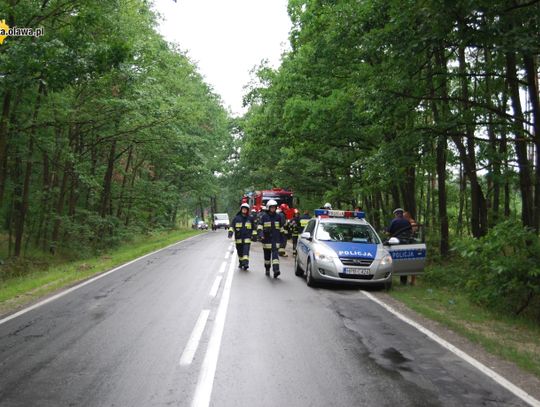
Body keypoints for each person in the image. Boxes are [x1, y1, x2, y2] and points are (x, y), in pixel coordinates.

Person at [258, 199, 285, 278]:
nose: (273, 209)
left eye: (274, 207)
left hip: (275, 240)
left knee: (275, 256)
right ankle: (267, 268)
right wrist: (261, 234)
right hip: (266, 240)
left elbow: (281, 228)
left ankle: (276, 270)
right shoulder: (264, 217)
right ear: (268, 208)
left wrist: (283, 236)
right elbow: (260, 227)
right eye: (271, 207)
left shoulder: (278, 217)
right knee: (267, 258)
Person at [228, 203, 257, 270]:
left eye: (245, 209)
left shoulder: (250, 218)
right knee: (240, 252)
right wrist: (230, 233)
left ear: (247, 210)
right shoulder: (236, 218)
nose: (244, 210)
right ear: (241, 209)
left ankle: (246, 263)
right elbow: (232, 226)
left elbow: (254, 228)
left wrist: (254, 235)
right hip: (238, 239)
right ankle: (241, 262)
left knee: (246, 251)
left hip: (247, 238)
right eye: (243, 209)